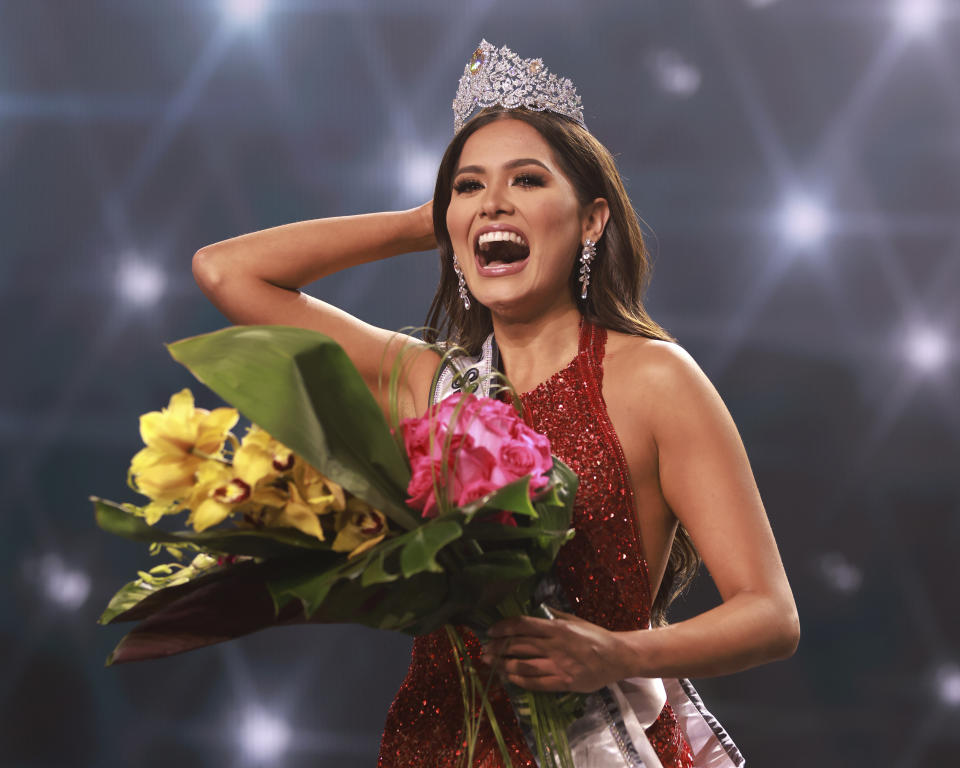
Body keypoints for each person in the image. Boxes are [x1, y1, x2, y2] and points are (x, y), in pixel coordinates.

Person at [193, 40, 799, 768]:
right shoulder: (428, 380)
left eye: (528, 181)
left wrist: (615, 654)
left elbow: (771, 615)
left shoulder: (653, 378)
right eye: (471, 186)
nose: (495, 202)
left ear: (592, 220)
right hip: (438, 743)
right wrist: (431, 222)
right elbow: (226, 272)